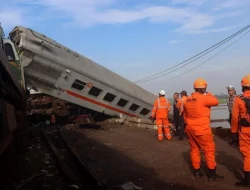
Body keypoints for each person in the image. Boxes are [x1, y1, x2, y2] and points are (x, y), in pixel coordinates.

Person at [183, 78, 224, 181]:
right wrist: (208, 93)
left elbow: (184, 114)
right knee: (209, 150)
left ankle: (197, 171)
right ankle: (211, 174)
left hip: (190, 128)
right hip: (202, 129)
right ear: (204, 88)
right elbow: (216, 101)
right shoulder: (204, 98)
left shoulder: (187, 99)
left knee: (195, 150)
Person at [231, 74, 250, 187]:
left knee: (247, 155)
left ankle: (247, 181)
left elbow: (234, 118)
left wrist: (233, 133)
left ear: (242, 86)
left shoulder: (238, 99)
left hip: (245, 131)